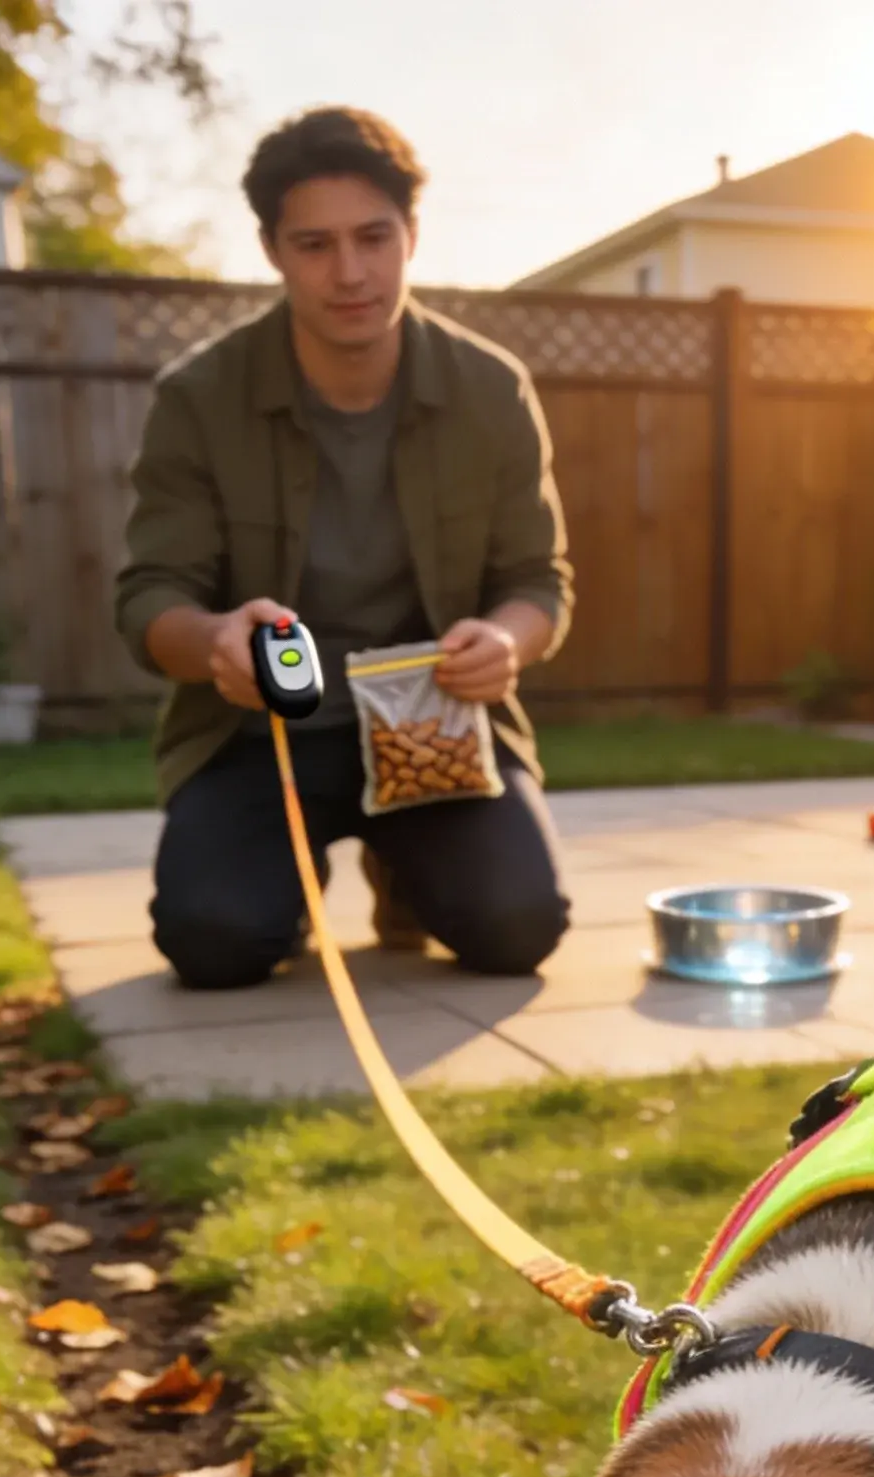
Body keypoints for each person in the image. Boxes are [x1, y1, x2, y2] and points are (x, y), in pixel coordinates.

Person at [115, 105, 575, 989]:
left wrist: (508, 642)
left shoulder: (491, 390)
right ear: (272, 250)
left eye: (374, 237)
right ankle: (288, 882)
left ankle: (410, 871)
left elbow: (536, 579)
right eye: (315, 245)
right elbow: (147, 598)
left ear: (412, 234)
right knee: (214, 945)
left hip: (435, 729)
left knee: (517, 932)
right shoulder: (198, 398)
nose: (351, 273)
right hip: (265, 736)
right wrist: (216, 642)